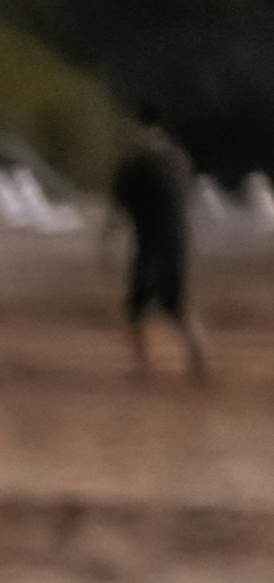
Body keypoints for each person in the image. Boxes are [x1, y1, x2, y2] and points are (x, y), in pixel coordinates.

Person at [115, 112, 211, 382]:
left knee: (137, 308)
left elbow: (117, 210)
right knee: (177, 308)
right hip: (175, 244)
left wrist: (105, 242)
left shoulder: (134, 165)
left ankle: (144, 366)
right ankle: (198, 363)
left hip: (149, 246)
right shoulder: (178, 161)